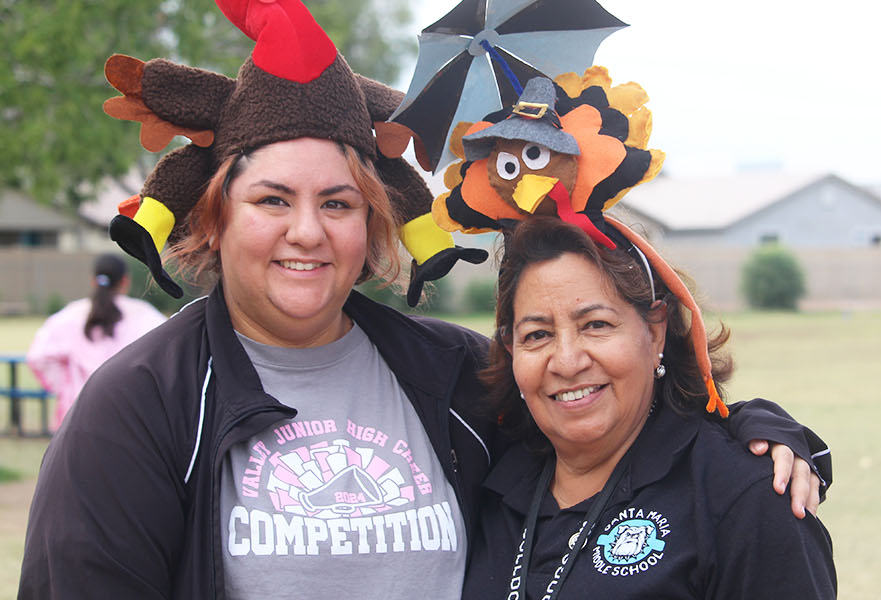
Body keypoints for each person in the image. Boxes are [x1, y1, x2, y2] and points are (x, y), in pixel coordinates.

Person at [19, 2, 821, 598]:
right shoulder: (138, 406)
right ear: (215, 214)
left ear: (375, 220)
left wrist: (752, 433)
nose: (308, 232)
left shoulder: (456, 376)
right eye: (271, 201)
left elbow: (606, 430)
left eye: (338, 203)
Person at [460, 217, 835, 598]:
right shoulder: (483, 478)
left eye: (596, 324)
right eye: (537, 335)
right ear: (511, 352)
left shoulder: (746, 497)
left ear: (655, 330)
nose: (567, 361)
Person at [25, 253, 167, 430]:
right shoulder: (144, 315)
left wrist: (67, 386)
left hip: (77, 416)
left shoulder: (69, 315)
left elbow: (39, 356)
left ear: (93, 281)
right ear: (125, 281)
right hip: (129, 417)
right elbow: (168, 357)